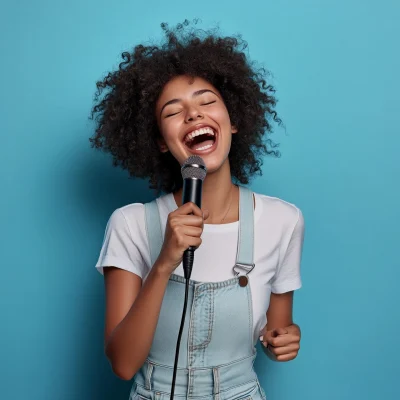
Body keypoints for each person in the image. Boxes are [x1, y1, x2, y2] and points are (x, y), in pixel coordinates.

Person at [90, 20, 305, 400]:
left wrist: (283, 339)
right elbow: (122, 365)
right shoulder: (130, 224)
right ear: (159, 141)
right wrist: (164, 262)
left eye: (207, 102)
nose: (193, 115)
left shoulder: (283, 221)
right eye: (174, 111)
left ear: (234, 120)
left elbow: (278, 329)